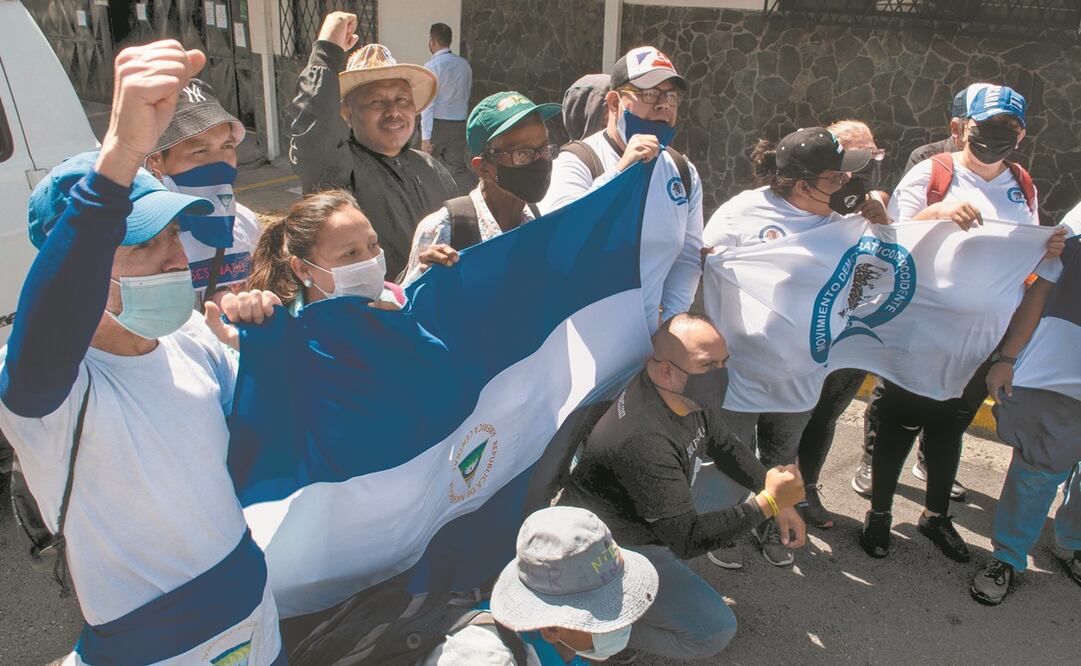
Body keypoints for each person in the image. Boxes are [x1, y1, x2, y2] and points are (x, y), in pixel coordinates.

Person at [0, 41, 283, 664]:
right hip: (153, 649)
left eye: (173, 233)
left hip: (257, 617)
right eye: (141, 245)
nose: (177, 258)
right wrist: (123, 155)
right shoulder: (49, 390)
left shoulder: (192, 338)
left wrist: (273, 345)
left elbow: (275, 439)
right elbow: (48, 324)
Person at [860, 83, 1067, 563]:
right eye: (986, 125)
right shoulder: (933, 172)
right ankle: (880, 513)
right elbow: (886, 240)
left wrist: (1046, 246)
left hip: (982, 339)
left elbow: (1024, 246)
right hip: (920, 333)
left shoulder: (1022, 182)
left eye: (1009, 128)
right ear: (960, 128)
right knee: (899, 421)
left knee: (949, 425)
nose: (997, 136)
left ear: (1021, 135)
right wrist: (939, 210)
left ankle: (935, 517)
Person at [560, 313, 807, 660]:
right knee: (712, 632)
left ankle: (653, 588)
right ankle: (596, 632)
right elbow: (687, 539)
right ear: (665, 370)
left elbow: (725, 447)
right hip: (611, 549)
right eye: (709, 366)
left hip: (653, 516)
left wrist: (782, 500)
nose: (720, 374)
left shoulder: (683, 395)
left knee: (735, 483)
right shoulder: (644, 438)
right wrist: (768, 503)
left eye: (724, 363)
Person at [703, 127, 874, 564]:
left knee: (781, 458)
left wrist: (882, 222)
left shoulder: (847, 224)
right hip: (739, 371)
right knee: (730, 460)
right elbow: (699, 270)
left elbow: (888, 265)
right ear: (803, 185)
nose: (847, 185)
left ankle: (770, 527)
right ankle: (723, 531)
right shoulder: (741, 214)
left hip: (803, 372)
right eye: (837, 177)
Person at [538, 46, 702, 334]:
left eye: (671, 96)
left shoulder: (682, 171)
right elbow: (559, 242)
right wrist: (620, 174)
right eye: (649, 94)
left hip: (646, 346)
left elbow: (688, 257)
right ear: (614, 103)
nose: (663, 105)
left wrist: (671, 325)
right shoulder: (579, 161)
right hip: (581, 350)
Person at [288, 11, 458, 280]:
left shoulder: (430, 167)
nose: (393, 111)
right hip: (373, 315)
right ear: (348, 113)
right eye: (376, 102)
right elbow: (315, 128)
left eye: (402, 99)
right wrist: (326, 51)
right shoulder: (337, 172)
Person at [969, 201, 1081, 605]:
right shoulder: (1080, 220)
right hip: (1063, 371)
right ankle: (1008, 556)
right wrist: (1007, 357)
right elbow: (1044, 287)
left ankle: (1073, 542)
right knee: (1037, 468)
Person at [794, 119, 888, 529]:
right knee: (782, 416)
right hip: (801, 330)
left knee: (825, 415)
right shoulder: (798, 200)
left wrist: (882, 218)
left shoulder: (872, 202)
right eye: (844, 166)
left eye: (870, 158)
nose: (851, 176)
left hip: (849, 332)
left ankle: (807, 487)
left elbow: (896, 257)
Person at [423, 506, 659, 665]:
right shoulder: (483, 657)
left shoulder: (561, 642)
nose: (625, 621)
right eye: (604, 617)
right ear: (551, 631)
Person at [402, 91, 561, 282]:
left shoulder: (537, 222)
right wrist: (423, 280)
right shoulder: (444, 229)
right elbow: (406, 308)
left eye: (544, 149)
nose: (538, 161)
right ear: (484, 169)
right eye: (522, 154)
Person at [145, 77, 261, 308]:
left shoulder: (246, 222)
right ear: (156, 160)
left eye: (227, 146)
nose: (219, 162)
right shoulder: (139, 239)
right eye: (200, 150)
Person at [421, 22, 475, 193]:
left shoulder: (431, 67)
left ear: (432, 41)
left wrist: (425, 136)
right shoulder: (464, 65)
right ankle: (466, 196)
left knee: (428, 164)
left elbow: (429, 104)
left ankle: (431, 199)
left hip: (438, 123)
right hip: (459, 122)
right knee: (457, 166)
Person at [903, 87, 968, 174]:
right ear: (955, 129)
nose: (989, 134)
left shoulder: (990, 163)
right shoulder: (924, 158)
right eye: (980, 127)